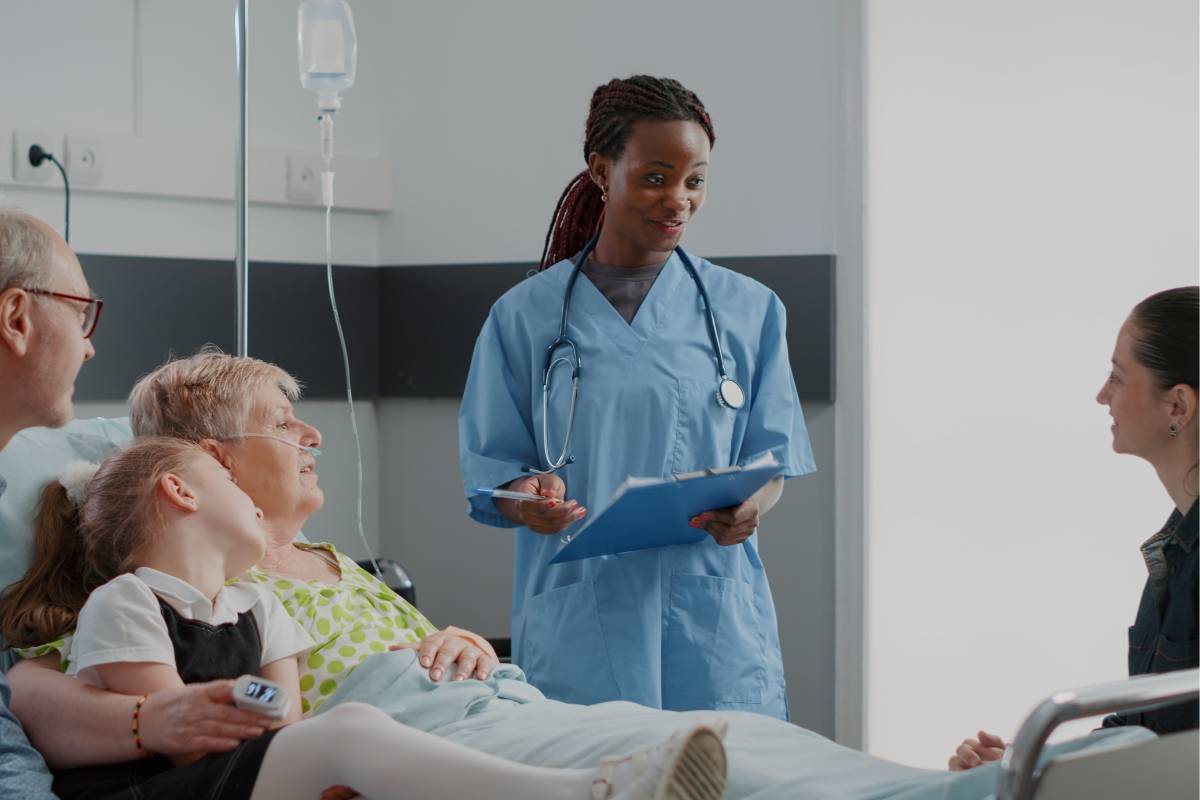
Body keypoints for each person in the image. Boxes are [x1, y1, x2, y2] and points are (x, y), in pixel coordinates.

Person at [5, 437, 728, 800]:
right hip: (171, 789)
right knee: (351, 729)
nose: (249, 495)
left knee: (345, 733)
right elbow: (183, 733)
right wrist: (289, 737)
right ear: (180, 493)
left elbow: (281, 715)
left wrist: (291, 743)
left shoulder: (258, 604)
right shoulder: (128, 602)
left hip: (243, 769)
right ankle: (589, 793)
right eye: (226, 478)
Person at [458, 75, 815, 717]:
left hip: (712, 617)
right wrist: (527, 502)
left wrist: (751, 507)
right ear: (601, 169)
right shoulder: (524, 317)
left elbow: (772, 460)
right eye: (656, 177)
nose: (677, 199)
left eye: (695, 180)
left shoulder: (751, 310)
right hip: (582, 609)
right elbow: (496, 473)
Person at [948, 286, 1199, 771]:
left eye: (1118, 377)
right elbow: (1142, 731)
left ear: (1178, 407)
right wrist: (1027, 769)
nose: (1102, 395)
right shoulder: (1174, 551)